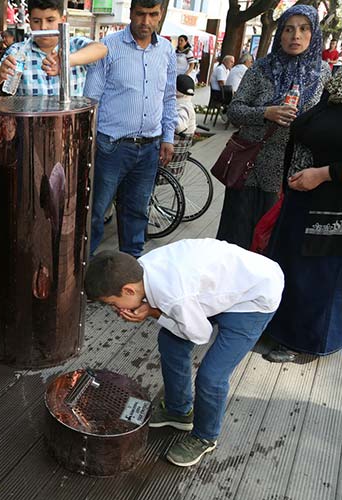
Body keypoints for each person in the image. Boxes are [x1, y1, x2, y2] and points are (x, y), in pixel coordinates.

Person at [85, 239, 283, 467]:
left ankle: (205, 436)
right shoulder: (139, 270)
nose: (116, 310)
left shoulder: (173, 295)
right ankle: (178, 411)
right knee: (170, 342)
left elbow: (200, 335)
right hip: (220, 287)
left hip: (254, 298)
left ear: (129, 289)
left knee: (212, 376)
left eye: (113, 303)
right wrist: (153, 309)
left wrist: (152, 312)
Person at [220, 5, 330, 249]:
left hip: (296, 176)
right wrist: (266, 113)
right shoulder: (261, 68)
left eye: (304, 29)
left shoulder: (322, 72)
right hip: (252, 170)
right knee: (239, 241)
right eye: (289, 29)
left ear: (314, 35)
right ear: (280, 33)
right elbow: (235, 110)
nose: (296, 36)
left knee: (276, 246)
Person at [83, 0, 177, 258]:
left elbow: (169, 97)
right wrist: (89, 142)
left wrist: (168, 137)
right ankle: (81, 270)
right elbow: (92, 99)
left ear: (160, 16)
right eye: (140, 14)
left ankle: (132, 269)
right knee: (96, 211)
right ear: (131, 13)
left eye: (152, 15)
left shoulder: (167, 51)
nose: (146, 21)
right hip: (111, 146)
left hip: (149, 147)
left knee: (137, 212)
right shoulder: (108, 48)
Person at [263, 70, 342, 363]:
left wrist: (323, 175)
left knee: (319, 276)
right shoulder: (335, 84)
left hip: (332, 205)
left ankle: (308, 340)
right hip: (304, 197)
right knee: (292, 267)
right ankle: (282, 329)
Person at [0, 0, 107, 97]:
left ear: (62, 20)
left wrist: (67, 60)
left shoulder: (74, 45)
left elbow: (101, 48)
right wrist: (1, 72)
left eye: (50, 20)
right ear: (29, 20)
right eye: (36, 21)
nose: (43, 27)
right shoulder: (18, 50)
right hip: (29, 125)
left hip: (68, 125)